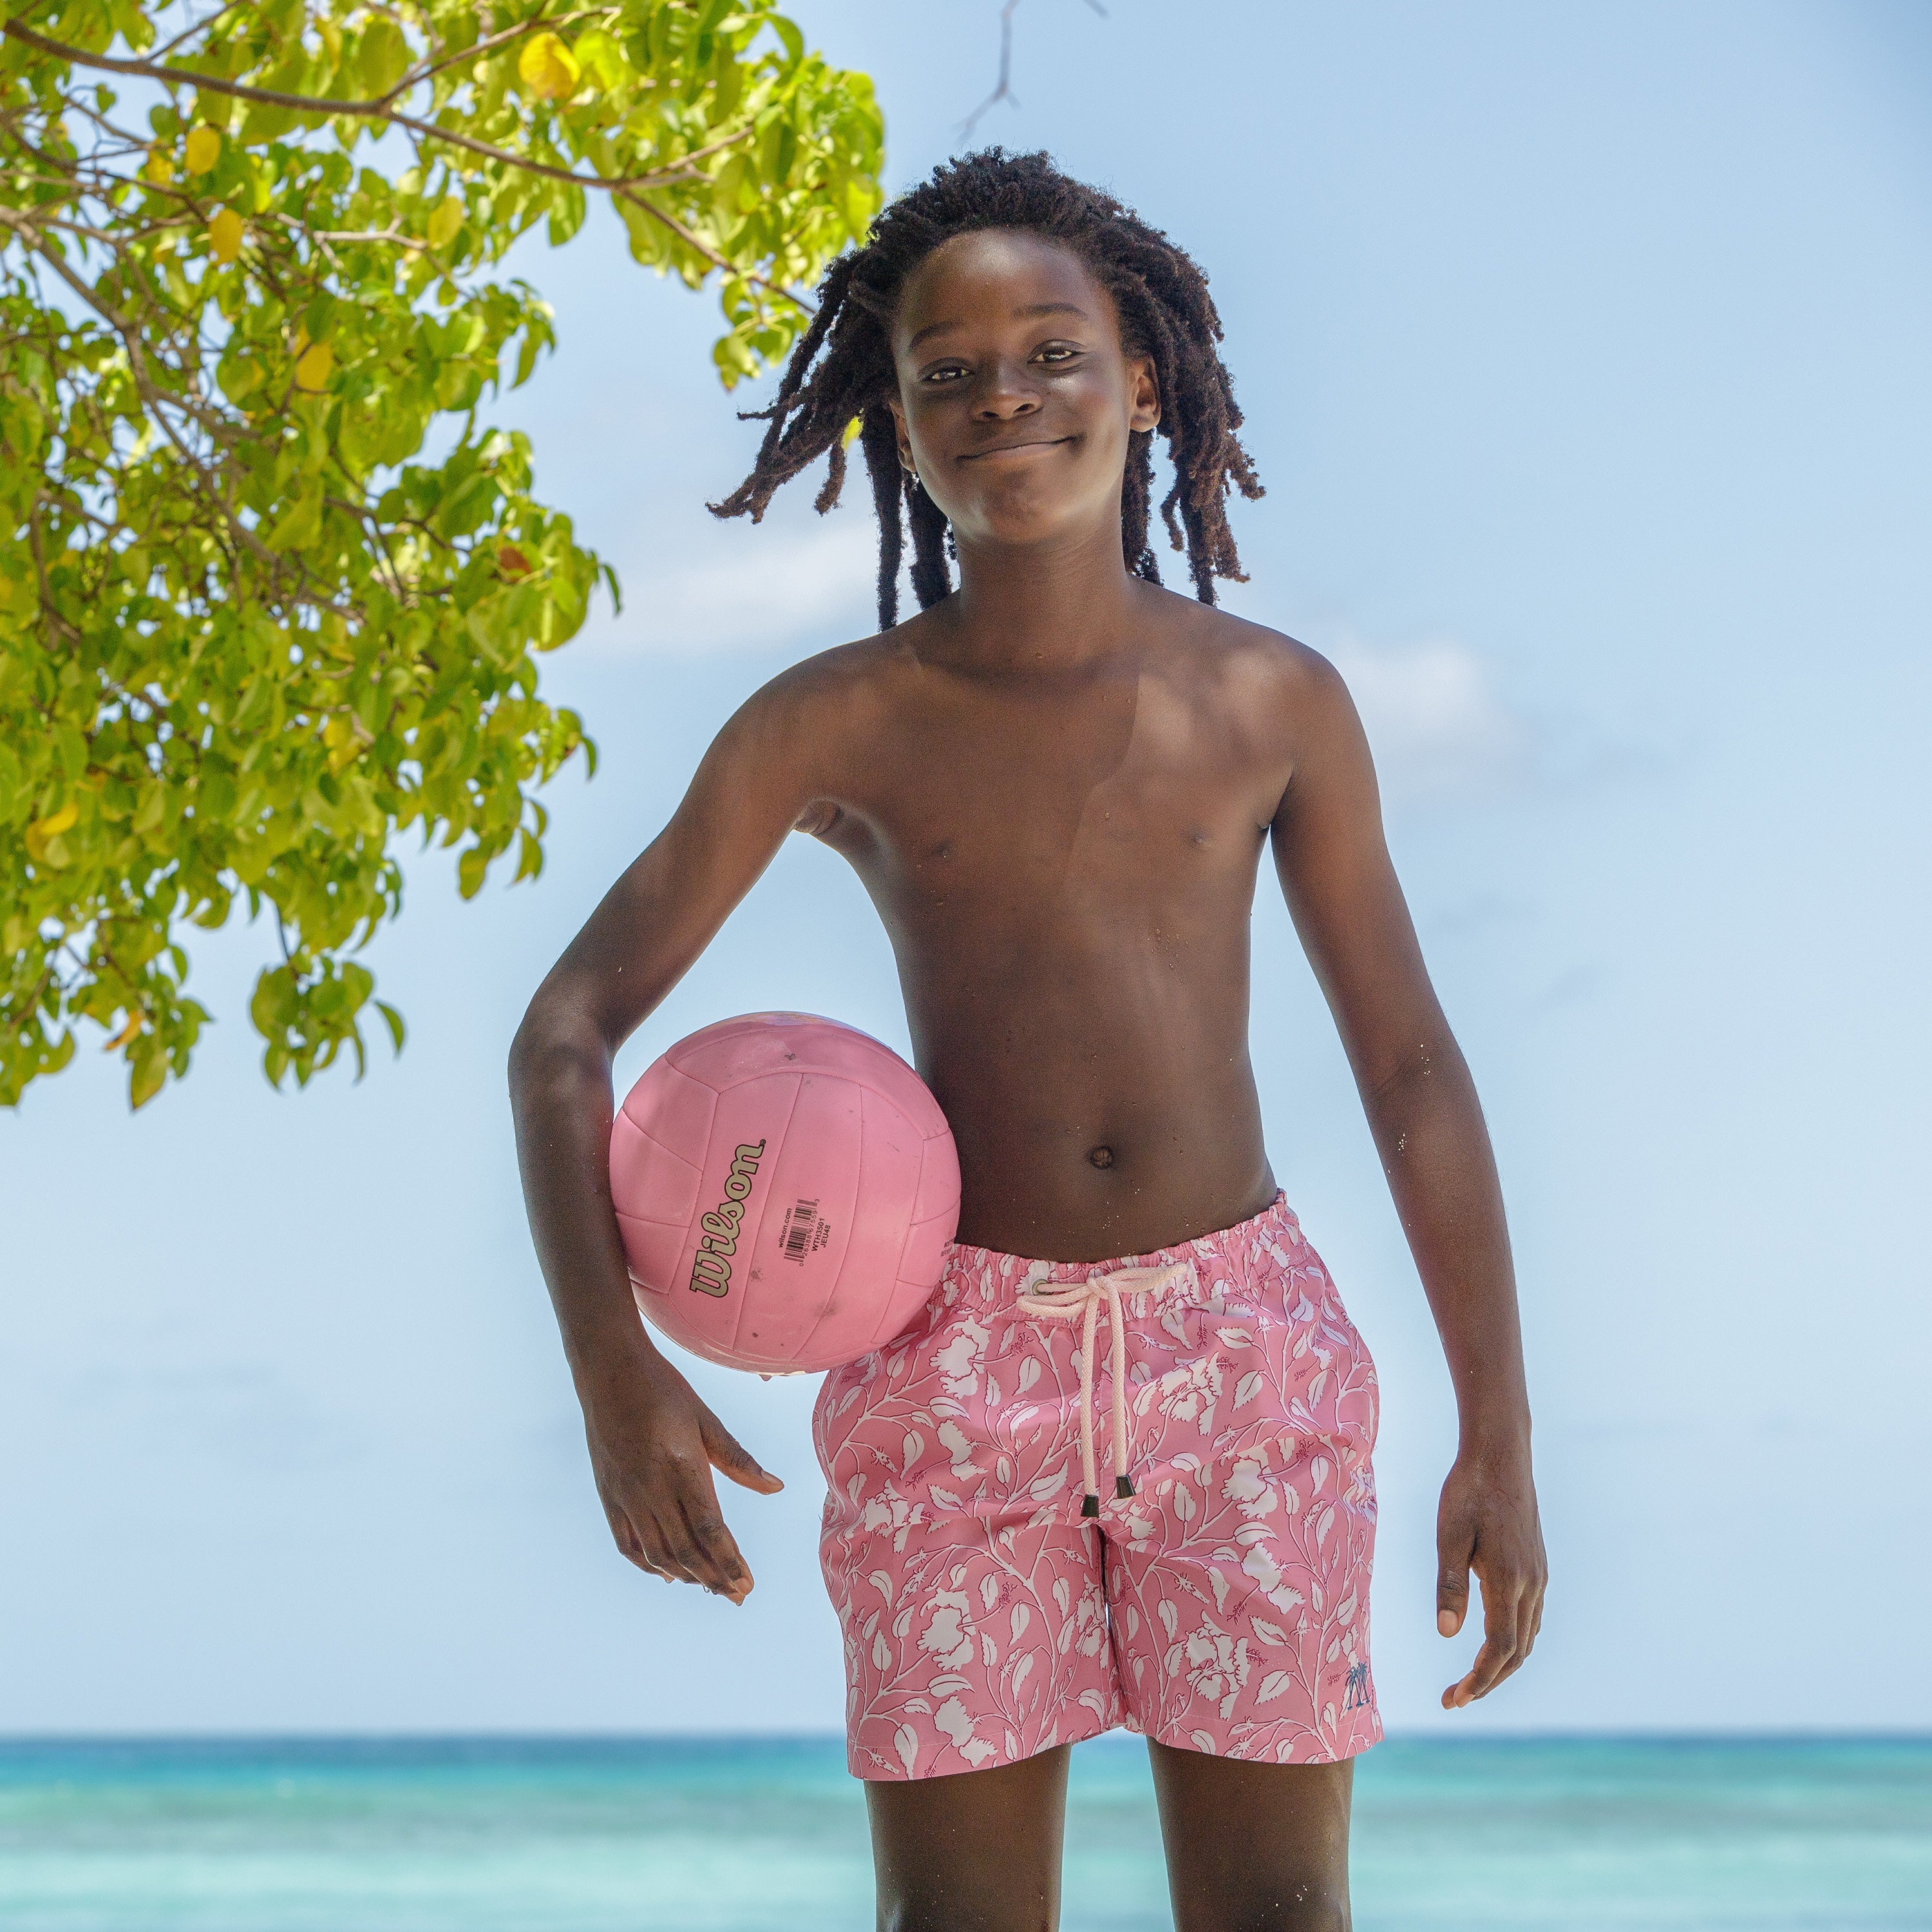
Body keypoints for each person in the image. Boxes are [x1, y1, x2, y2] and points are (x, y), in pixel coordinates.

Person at [509, 149, 1546, 1931]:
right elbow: (564, 1036)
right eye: (947, 370)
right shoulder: (835, 723)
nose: (1006, 396)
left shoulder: (1271, 699)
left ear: (1144, 380)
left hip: (1250, 1371)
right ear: (892, 421)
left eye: (1053, 352)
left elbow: (1412, 1073)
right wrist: (617, 1376)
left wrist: (1499, 1430)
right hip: (951, 1379)